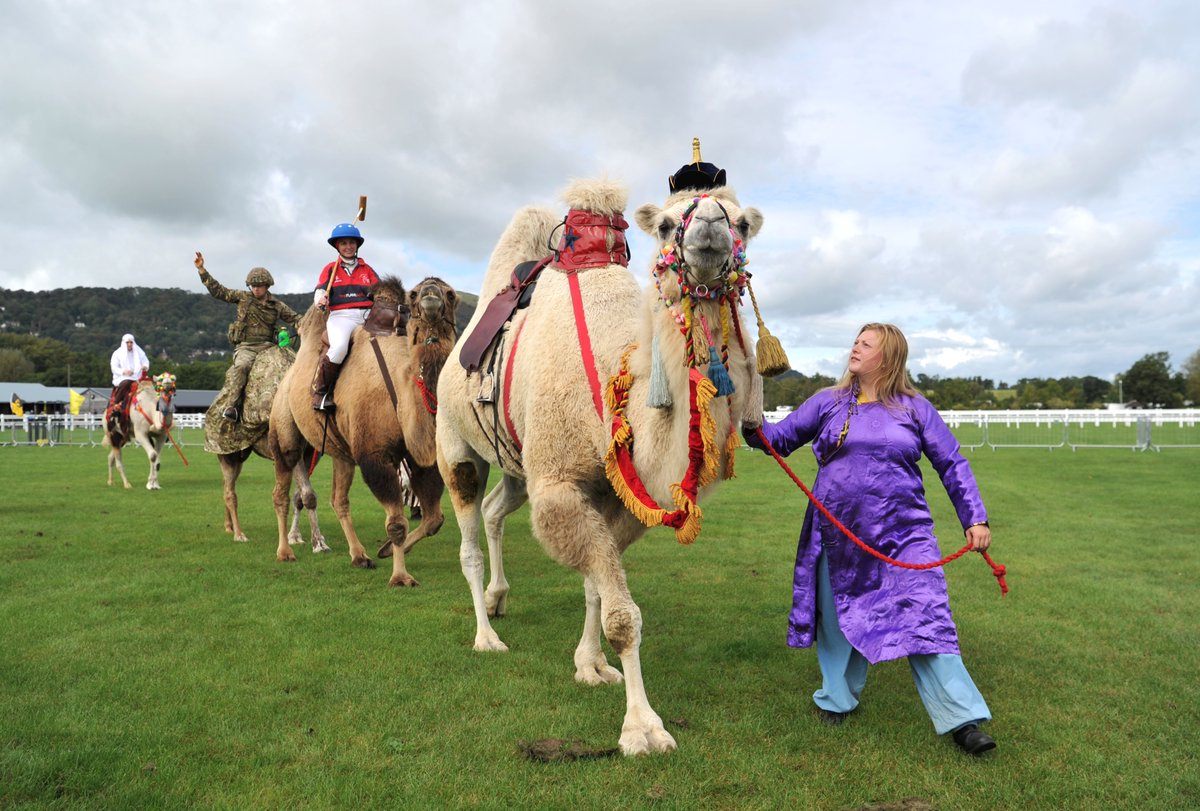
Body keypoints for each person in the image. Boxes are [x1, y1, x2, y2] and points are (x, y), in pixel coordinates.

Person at [743, 323, 997, 756]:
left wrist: (974, 518)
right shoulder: (827, 401)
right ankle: (837, 699)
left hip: (905, 536)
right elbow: (777, 440)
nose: (855, 348)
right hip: (837, 532)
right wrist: (747, 411)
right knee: (840, 619)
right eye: (855, 341)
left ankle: (963, 720)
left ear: (888, 357)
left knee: (927, 615)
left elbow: (952, 462)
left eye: (866, 344)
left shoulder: (915, 409)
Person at [195, 252, 300, 421]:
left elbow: (295, 318)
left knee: (289, 366)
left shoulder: (277, 305)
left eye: (259, 285)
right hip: (247, 347)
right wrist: (202, 270)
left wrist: (302, 326)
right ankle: (232, 406)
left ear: (267, 286)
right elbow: (219, 291)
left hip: (269, 347)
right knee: (241, 367)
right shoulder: (242, 298)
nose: (256, 288)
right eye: (253, 285)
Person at [310, 222, 379, 411]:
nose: (348, 247)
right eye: (343, 243)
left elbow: (380, 292)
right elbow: (320, 290)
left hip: (368, 316)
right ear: (337, 246)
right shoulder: (331, 269)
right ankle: (320, 394)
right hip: (342, 317)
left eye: (351, 243)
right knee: (339, 348)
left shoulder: (367, 269)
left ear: (357, 245)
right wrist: (321, 299)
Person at [107, 333, 150, 434]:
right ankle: (116, 405)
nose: (130, 344)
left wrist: (144, 366)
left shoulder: (139, 351)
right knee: (126, 383)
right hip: (123, 377)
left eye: (131, 342)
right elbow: (114, 367)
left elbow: (145, 361)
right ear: (124, 343)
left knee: (149, 384)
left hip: (137, 376)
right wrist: (124, 371)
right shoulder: (117, 353)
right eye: (128, 342)